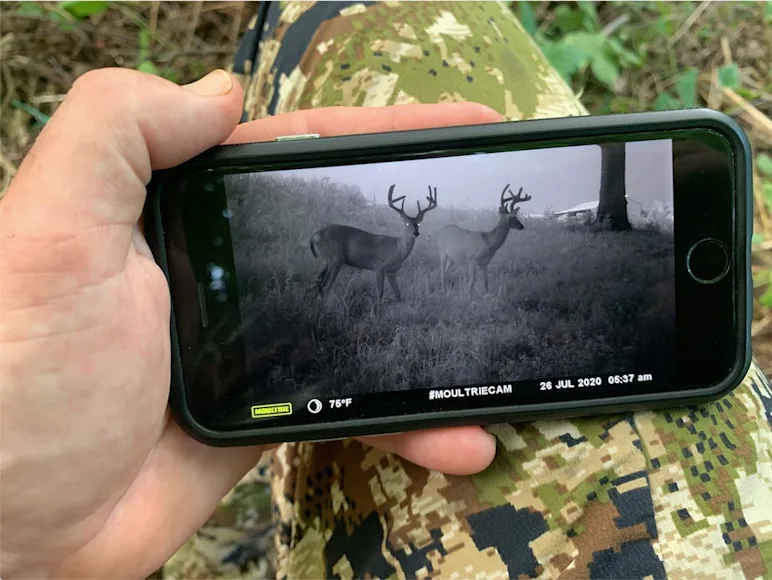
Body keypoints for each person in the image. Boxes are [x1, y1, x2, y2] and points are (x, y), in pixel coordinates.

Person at [0, 2, 770, 579]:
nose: (417, 227)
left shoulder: (418, 242)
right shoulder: (391, 241)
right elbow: (404, 255)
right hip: (356, 255)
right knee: (357, 278)